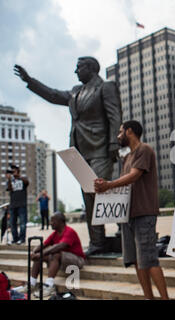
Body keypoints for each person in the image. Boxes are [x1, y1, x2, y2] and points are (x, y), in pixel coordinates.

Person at [14, 57, 122, 256]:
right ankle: (98, 241)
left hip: (100, 148)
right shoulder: (75, 91)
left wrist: (115, 142)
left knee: (97, 190)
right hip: (80, 151)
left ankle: (124, 225)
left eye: (79, 67)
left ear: (91, 68)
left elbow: (115, 114)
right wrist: (30, 80)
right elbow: (53, 95)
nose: (75, 71)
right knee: (87, 195)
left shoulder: (105, 87)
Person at [94, 120, 169, 300]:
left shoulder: (144, 150)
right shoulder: (126, 157)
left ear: (129, 131)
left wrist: (109, 185)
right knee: (135, 260)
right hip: (128, 214)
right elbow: (123, 185)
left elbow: (134, 176)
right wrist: (104, 187)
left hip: (144, 213)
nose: (118, 136)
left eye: (120, 132)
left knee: (149, 259)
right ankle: (148, 298)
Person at [17, 212, 86, 298]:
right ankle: (32, 284)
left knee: (55, 253)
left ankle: (49, 286)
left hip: (77, 261)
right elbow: (44, 244)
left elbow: (60, 246)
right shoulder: (55, 234)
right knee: (40, 256)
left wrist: (41, 253)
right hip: (63, 260)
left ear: (61, 222)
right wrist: (34, 252)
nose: (50, 223)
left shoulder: (69, 231)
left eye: (53, 221)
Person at [6, 165, 29, 245]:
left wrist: (18, 176)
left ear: (18, 171)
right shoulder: (10, 181)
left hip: (22, 204)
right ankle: (15, 239)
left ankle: (22, 239)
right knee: (12, 223)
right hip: (13, 205)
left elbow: (27, 182)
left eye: (14, 170)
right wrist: (9, 179)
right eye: (12, 171)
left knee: (22, 223)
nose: (13, 172)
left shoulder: (23, 179)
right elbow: (9, 189)